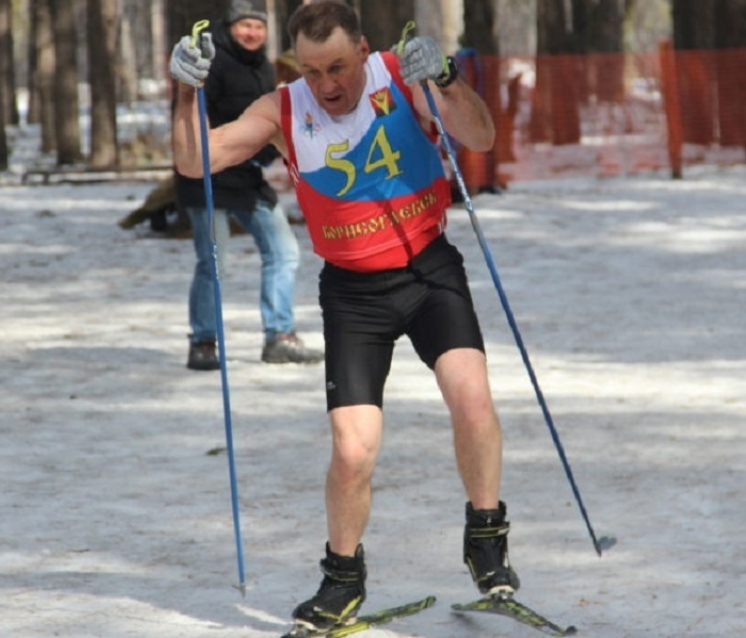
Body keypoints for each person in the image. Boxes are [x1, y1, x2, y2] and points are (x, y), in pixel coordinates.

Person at [169, 1, 520, 632]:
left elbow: (482, 136)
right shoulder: (283, 107)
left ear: (362, 50)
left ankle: (485, 538)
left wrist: (443, 77)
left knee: (473, 403)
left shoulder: (398, 73)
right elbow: (196, 161)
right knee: (353, 452)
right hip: (354, 294)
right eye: (310, 70)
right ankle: (342, 578)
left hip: (429, 271)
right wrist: (183, 90)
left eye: (337, 66)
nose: (327, 84)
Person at [175, 0, 323, 369]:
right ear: (231, 26)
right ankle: (204, 340)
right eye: (245, 26)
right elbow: (194, 120)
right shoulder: (212, 60)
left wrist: (269, 152)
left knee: (284, 250)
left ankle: (279, 335)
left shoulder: (262, 65)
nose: (252, 33)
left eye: (258, 26)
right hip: (208, 176)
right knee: (213, 261)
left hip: (245, 178)